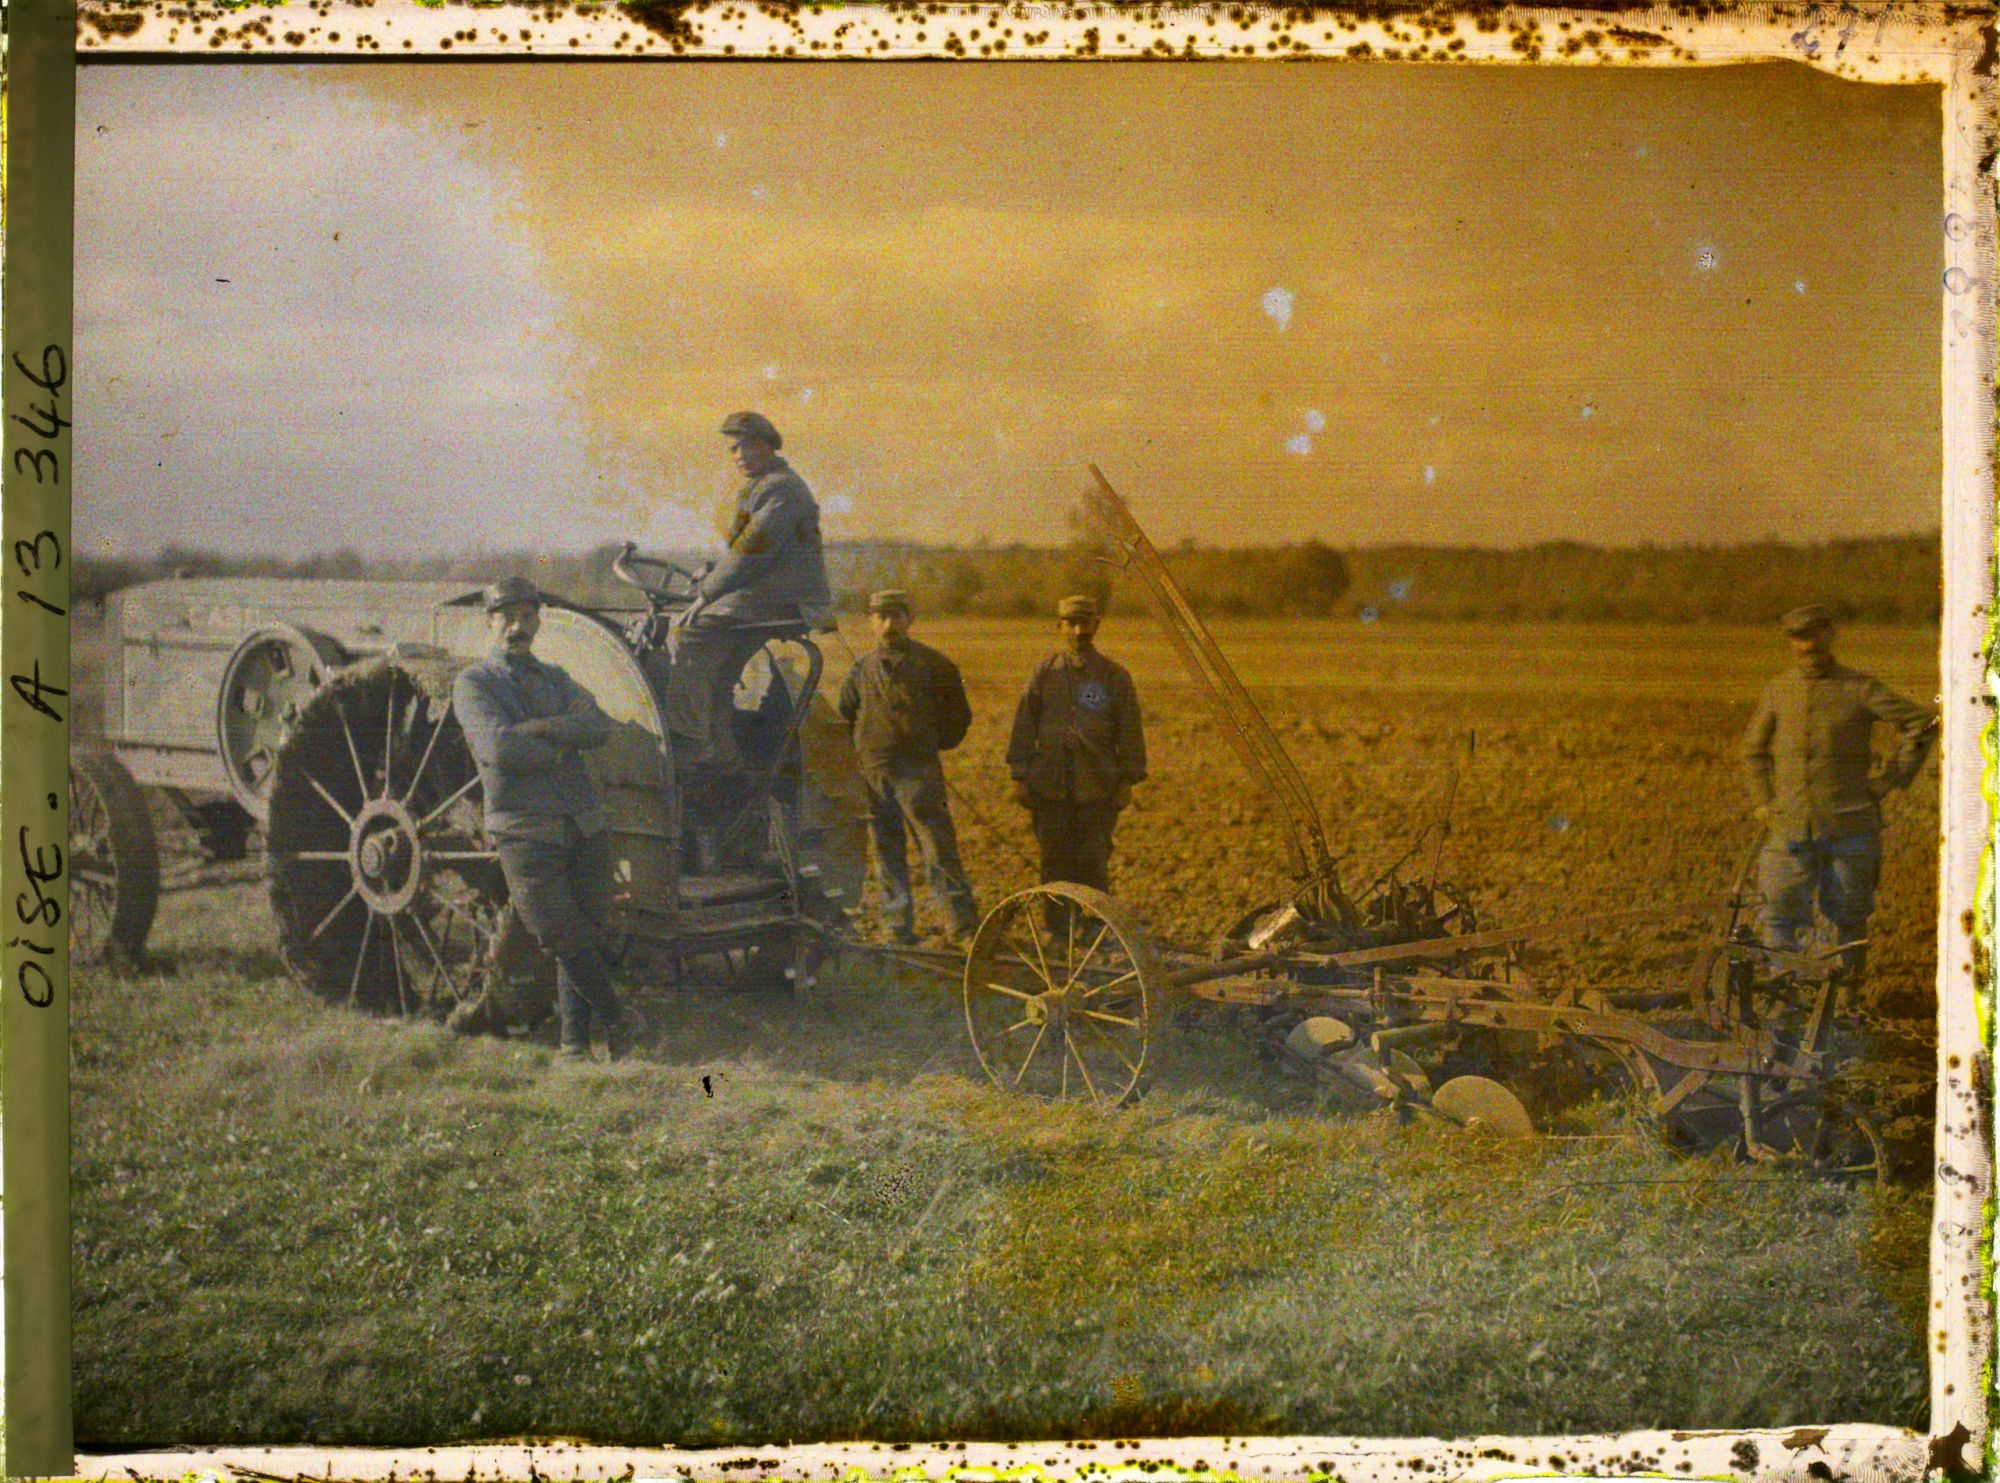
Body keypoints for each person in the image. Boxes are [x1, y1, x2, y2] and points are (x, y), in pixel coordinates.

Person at [452, 577, 638, 1062]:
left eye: (528, 617)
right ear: (490, 621)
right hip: (524, 830)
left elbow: (597, 726)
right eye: (507, 617)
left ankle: (575, 1049)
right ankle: (620, 1018)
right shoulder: (473, 684)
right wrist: (561, 743)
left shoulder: (556, 677)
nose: (519, 627)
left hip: (582, 823)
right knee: (558, 933)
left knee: (584, 935)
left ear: (538, 621)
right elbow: (497, 747)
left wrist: (541, 729)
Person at [1740, 603, 1937, 989]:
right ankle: (1785, 999)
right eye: (1798, 637)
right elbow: (1752, 751)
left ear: (1830, 636)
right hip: (1789, 828)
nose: (1806, 646)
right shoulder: (1779, 690)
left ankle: (1845, 1007)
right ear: (1790, 642)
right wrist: (1764, 800)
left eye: (1814, 635)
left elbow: (1922, 723)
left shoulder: (1860, 688)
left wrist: (1890, 779)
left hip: (1851, 825)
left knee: (1849, 918)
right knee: (1779, 914)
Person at [665, 411, 833, 766]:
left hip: (787, 597)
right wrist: (710, 573)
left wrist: (708, 593)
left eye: (743, 447)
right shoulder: (766, 485)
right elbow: (747, 550)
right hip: (769, 591)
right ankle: (723, 751)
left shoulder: (781, 487)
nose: (737, 456)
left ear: (766, 446)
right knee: (721, 669)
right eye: (732, 450)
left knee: (689, 631)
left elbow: (752, 551)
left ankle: (688, 740)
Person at [836, 589, 980, 945]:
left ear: (909, 620)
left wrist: (928, 746)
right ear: (871, 622)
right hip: (874, 775)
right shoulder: (859, 670)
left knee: (938, 849)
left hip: (919, 775)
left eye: (897, 616)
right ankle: (896, 926)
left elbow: (958, 719)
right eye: (881, 617)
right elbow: (844, 718)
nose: (889, 625)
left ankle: (961, 926)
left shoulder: (937, 666)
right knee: (887, 852)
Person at [1006, 594, 1147, 901]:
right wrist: (1019, 775)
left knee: (1092, 862)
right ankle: (1059, 934)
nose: (1078, 632)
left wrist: (1126, 781)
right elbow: (1024, 724)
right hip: (1049, 787)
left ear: (1096, 625)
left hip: (1097, 789)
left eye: (1084, 623)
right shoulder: (1044, 674)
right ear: (1059, 627)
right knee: (1054, 864)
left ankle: (1093, 928)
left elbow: (1130, 731)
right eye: (1071, 624)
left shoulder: (1114, 677)